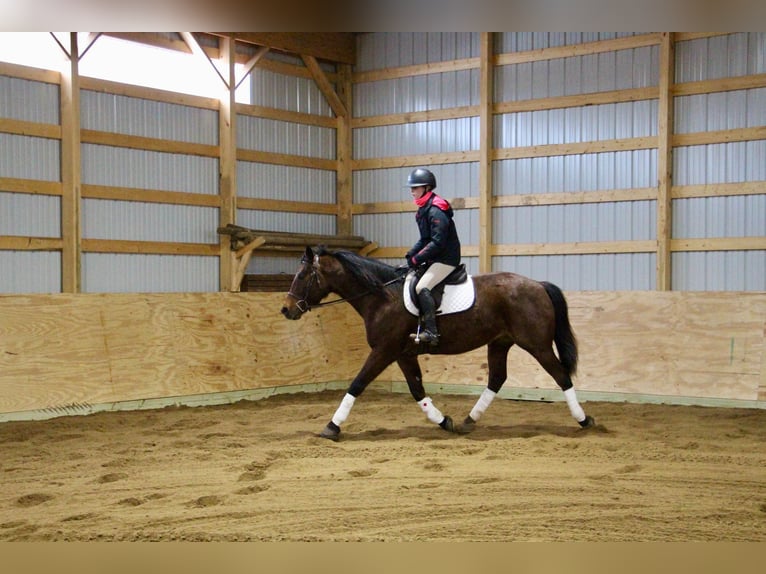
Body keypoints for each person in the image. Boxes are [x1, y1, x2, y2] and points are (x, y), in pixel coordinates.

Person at [404, 167, 461, 347]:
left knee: (422, 287)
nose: (412, 191)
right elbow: (424, 239)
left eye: (415, 187)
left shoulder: (436, 210)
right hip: (435, 258)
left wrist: (417, 259)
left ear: (427, 188)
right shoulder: (423, 210)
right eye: (411, 188)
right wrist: (411, 255)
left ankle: (431, 332)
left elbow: (437, 243)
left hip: (446, 259)